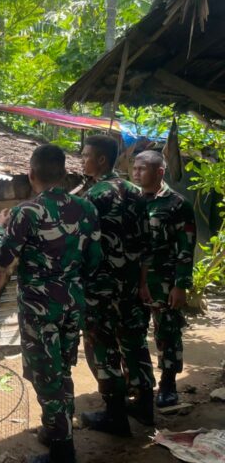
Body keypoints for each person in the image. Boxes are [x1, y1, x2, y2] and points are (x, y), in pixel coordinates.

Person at [0, 144, 101, 463]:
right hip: (72, 303)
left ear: (32, 174)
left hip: (40, 309)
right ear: (64, 173)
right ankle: (58, 430)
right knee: (62, 371)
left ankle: (63, 460)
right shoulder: (86, 208)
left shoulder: (28, 212)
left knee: (47, 379)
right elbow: (95, 261)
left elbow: (2, 258)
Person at [79, 135, 155, 432]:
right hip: (132, 286)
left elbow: (82, 246)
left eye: (86, 155)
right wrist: (142, 283)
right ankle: (145, 407)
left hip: (101, 290)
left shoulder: (93, 197)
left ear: (100, 160)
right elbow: (146, 243)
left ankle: (115, 416)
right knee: (135, 344)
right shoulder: (137, 193)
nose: (82, 160)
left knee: (103, 346)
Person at [132, 150, 196, 408]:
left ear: (159, 172)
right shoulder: (130, 200)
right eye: (134, 168)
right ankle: (139, 383)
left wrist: (181, 286)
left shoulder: (177, 204)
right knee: (133, 333)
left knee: (167, 333)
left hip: (165, 283)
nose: (136, 173)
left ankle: (168, 383)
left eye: (142, 168)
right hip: (135, 282)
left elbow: (186, 248)